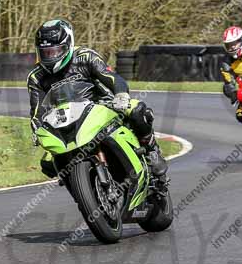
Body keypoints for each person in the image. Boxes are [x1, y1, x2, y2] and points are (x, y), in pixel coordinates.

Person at [27, 19, 169, 189]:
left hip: (100, 105)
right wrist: (36, 129)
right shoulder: (36, 77)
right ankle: (82, 188)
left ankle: (151, 149)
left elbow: (112, 78)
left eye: (55, 51)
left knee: (137, 110)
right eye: (45, 53)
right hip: (63, 120)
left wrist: (121, 95)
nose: (51, 56)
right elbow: (37, 111)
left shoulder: (86, 56)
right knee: (48, 164)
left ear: (68, 44)